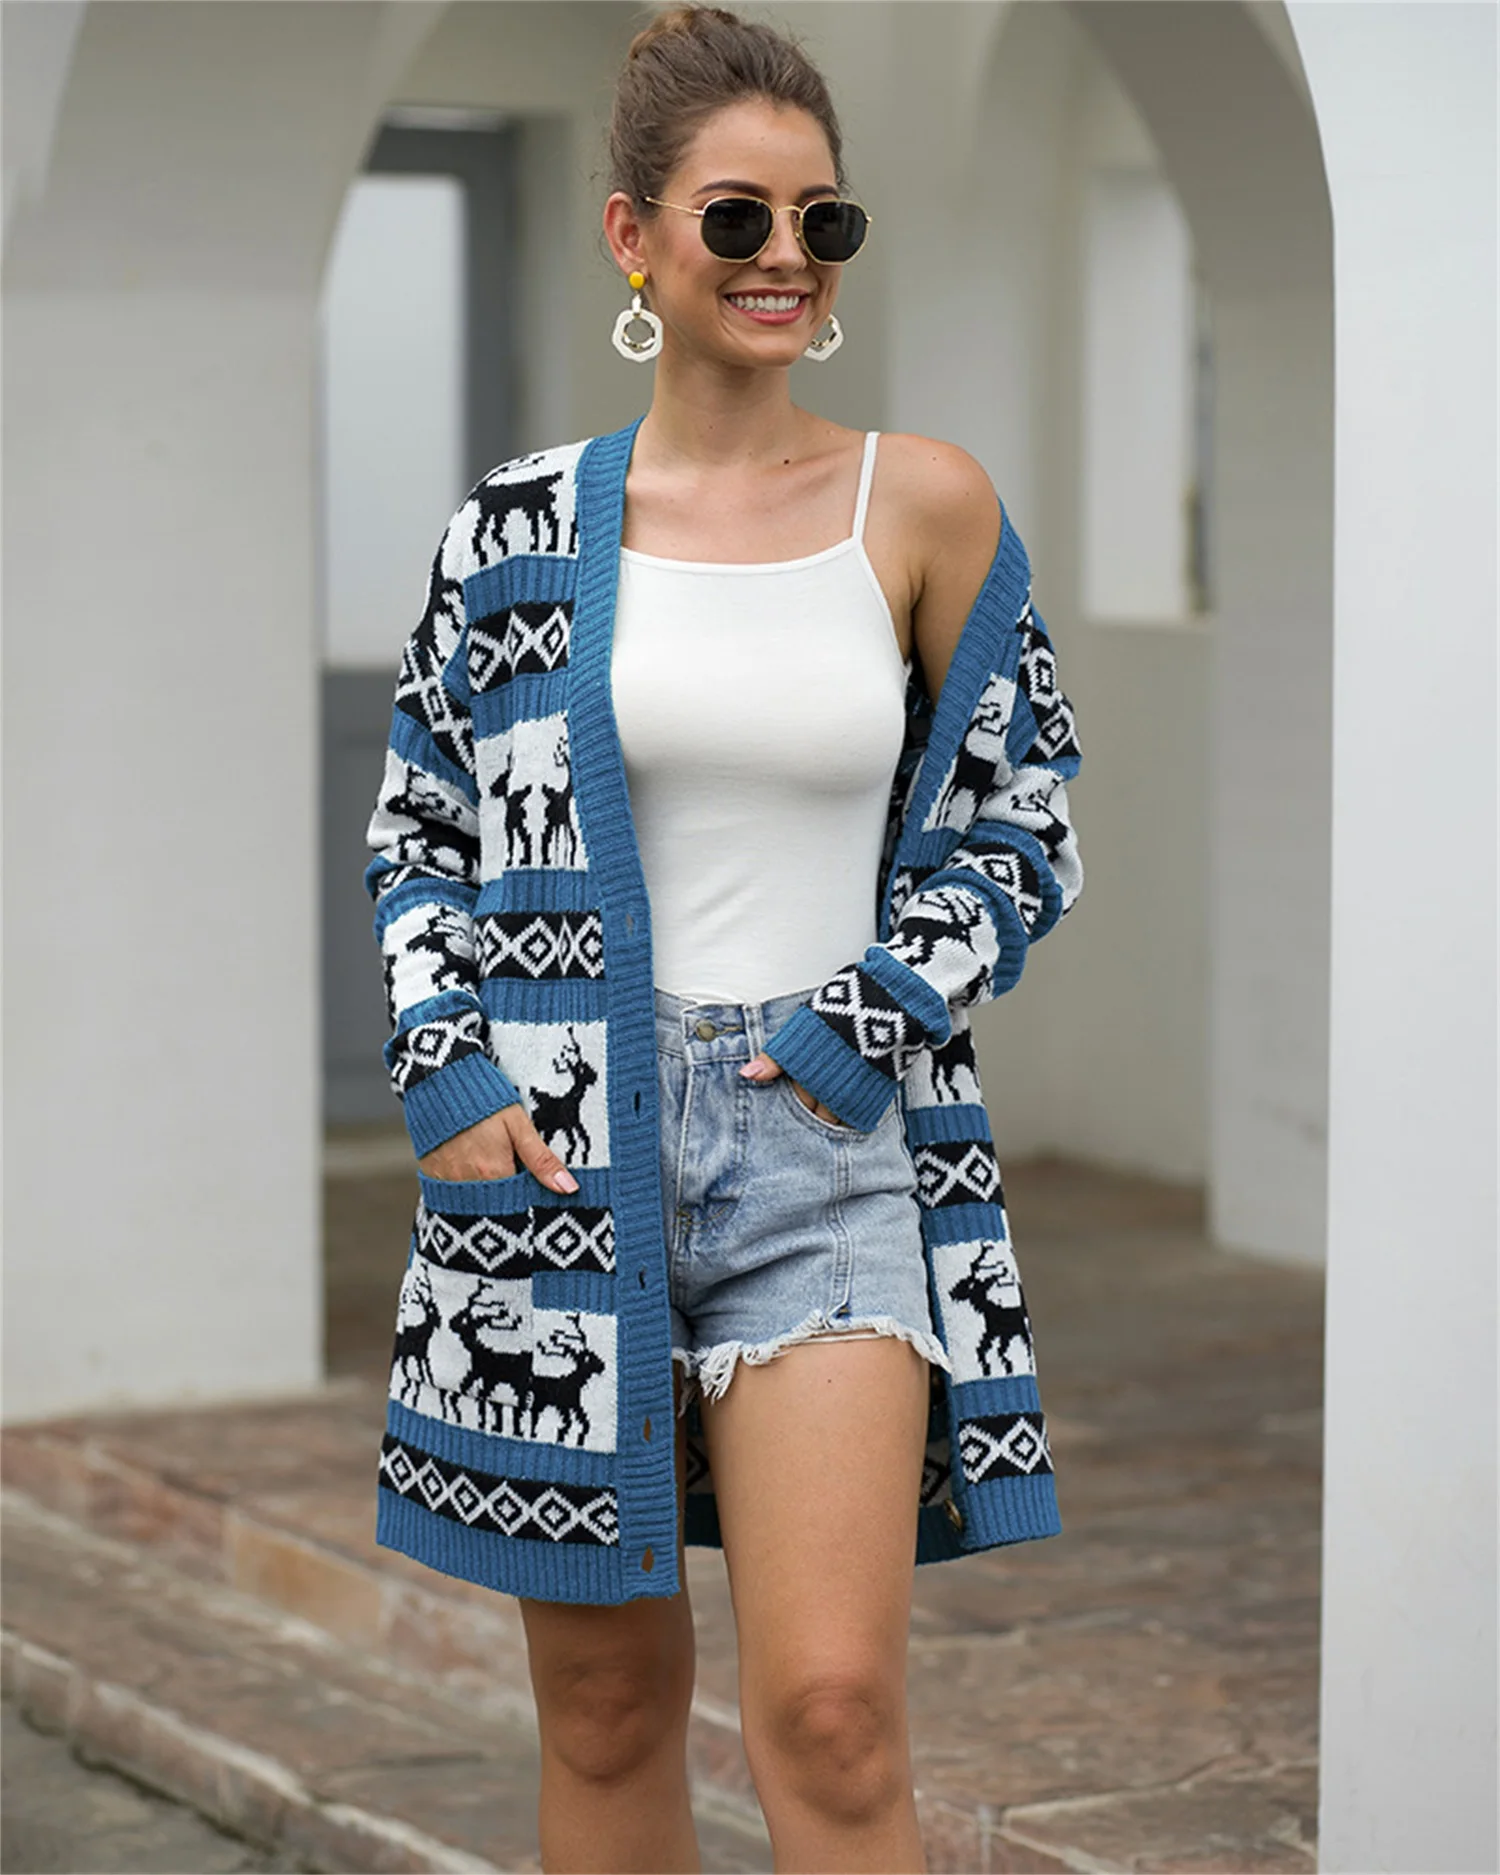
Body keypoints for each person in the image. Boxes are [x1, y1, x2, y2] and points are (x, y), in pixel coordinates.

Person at [364, 7, 1083, 1870]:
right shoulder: (513, 534)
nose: (785, 258)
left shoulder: (922, 504)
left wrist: (877, 1012)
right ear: (635, 236)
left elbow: (1026, 817)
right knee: (607, 1711)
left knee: (833, 1715)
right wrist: (446, 1071)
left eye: (822, 222)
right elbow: (421, 828)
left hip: (825, 1144)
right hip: (557, 1151)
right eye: (739, 218)